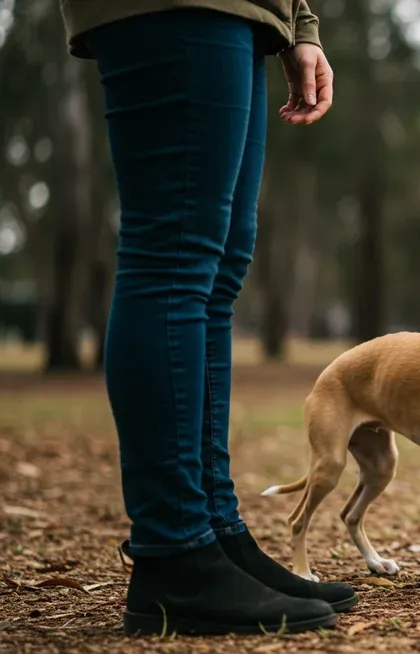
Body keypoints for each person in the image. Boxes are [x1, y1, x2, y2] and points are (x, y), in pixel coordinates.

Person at [58, 1, 356, 636]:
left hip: (246, 12)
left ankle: (217, 533)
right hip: (178, 6)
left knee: (215, 273)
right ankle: (173, 549)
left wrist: (299, 25)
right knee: (172, 260)